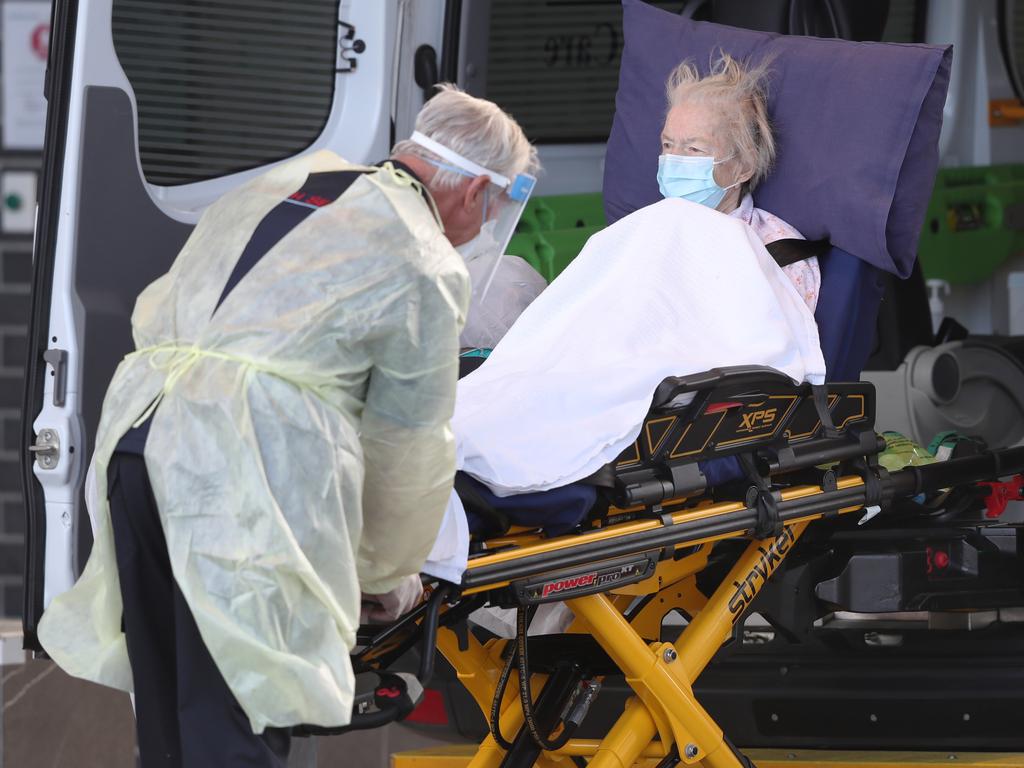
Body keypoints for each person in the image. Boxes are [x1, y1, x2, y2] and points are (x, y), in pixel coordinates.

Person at [37, 85, 537, 768]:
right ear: (476, 189)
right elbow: (408, 441)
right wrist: (386, 572)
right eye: (494, 209)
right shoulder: (423, 257)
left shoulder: (288, 183)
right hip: (239, 473)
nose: (483, 228)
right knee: (238, 712)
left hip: (141, 443)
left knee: (169, 716)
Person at [657, 53, 820, 312]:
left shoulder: (775, 254)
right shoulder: (647, 228)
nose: (673, 159)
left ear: (743, 167)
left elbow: (775, 348)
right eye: (667, 144)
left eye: (694, 149)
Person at [393, 109, 545, 350]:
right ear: (475, 192)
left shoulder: (343, 193)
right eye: (495, 203)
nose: (494, 218)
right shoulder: (500, 286)